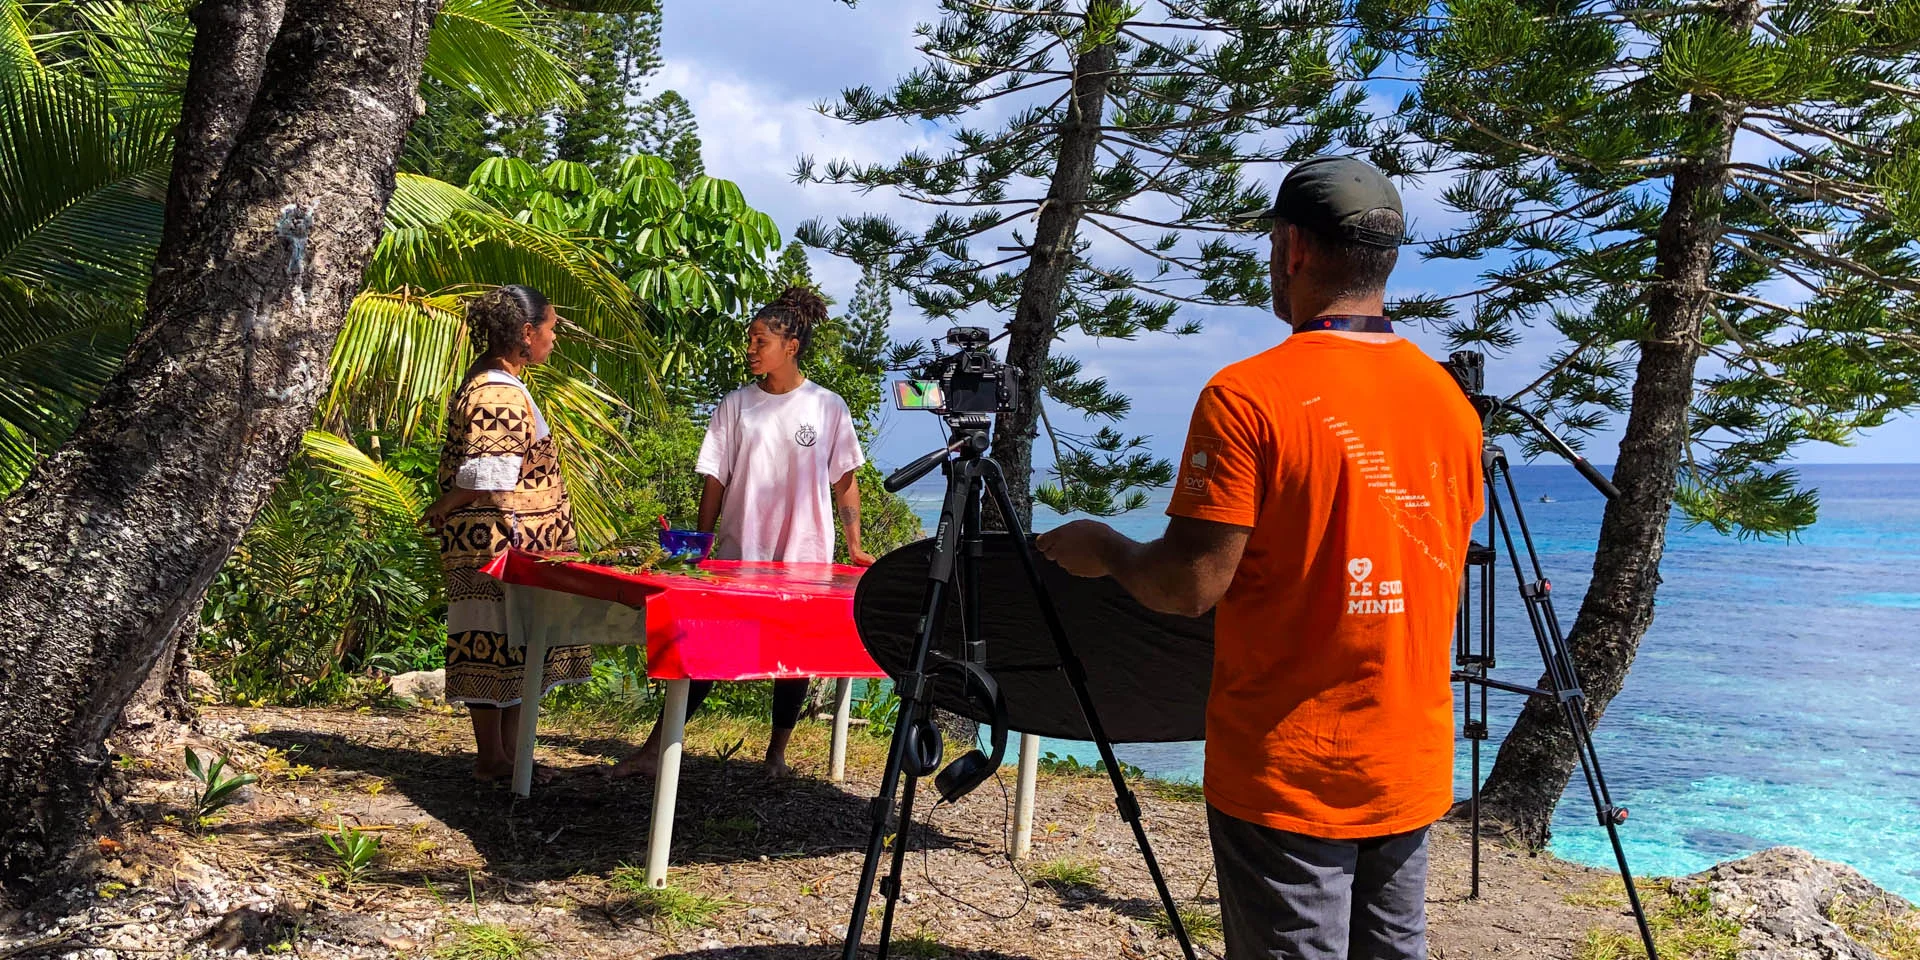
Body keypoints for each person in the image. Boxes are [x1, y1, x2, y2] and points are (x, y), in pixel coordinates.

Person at [1037, 157, 1484, 960]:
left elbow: (1188, 585)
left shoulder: (1248, 397)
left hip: (1291, 769)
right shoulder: (1449, 405)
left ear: (1292, 250)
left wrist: (1103, 545)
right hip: (1410, 762)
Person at [612, 285, 877, 780]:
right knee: (709, 649)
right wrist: (702, 545)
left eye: (761, 341)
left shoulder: (827, 407)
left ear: (791, 347)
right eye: (750, 340)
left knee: (795, 654)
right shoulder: (735, 405)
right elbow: (715, 480)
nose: (751, 350)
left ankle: (776, 754)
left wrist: (856, 544)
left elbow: (845, 481)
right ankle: (654, 751)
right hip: (739, 551)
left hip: (805, 553)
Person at [423, 285, 594, 783]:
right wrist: (446, 504)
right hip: (500, 542)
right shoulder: (498, 390)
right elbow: (489, 475)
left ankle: (508, 757)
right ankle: (496, 760)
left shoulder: (492, 382)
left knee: (507, 647)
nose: (554, 338)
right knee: (500, 642)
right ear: (526, 332)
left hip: (495, 539)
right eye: (552, 327)